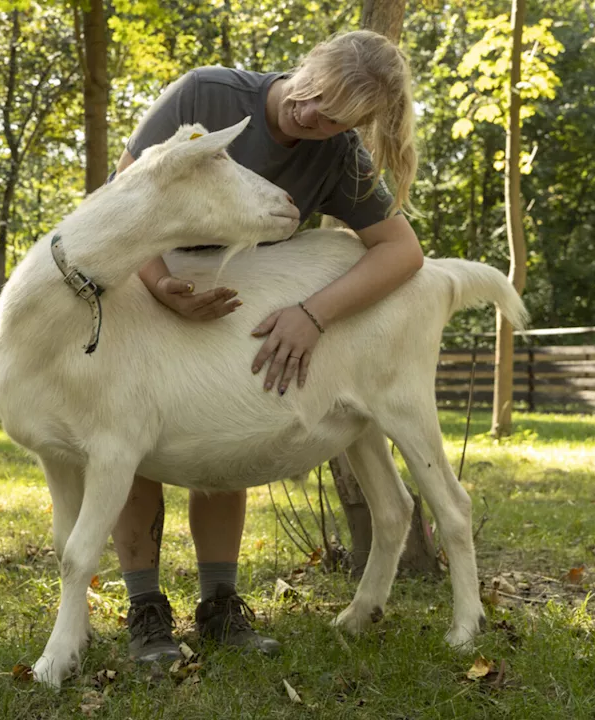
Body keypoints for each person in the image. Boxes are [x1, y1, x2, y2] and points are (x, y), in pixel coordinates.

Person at [108, 30, 426, 662]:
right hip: (145, 279)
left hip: (233, 295)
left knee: (221, 438)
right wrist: (162, 285)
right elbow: (124, 194)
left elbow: (403, 251)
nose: (310, 116)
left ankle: (220, 607)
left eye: (334, 117)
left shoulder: (336, 154)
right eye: (311, 96)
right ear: (305, 65)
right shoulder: (208, 92)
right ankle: (146, 609)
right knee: (131, 441)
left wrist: (313, 314)